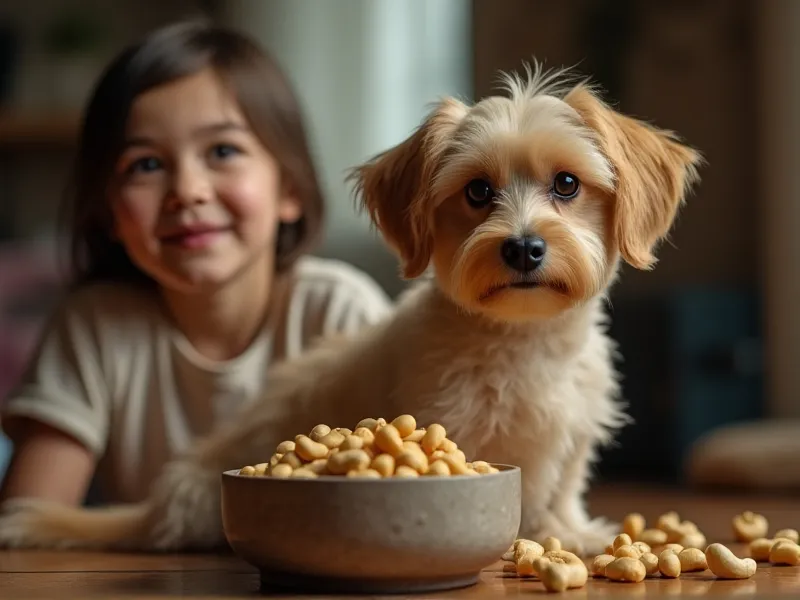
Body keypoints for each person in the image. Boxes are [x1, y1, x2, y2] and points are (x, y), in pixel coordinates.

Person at [0, 20, 393, 506]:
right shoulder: (94, 327)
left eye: (223, 151)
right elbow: (28, 527)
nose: (187, 190)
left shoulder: (339, 312)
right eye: (146, 164)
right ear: (108, 214)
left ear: (288, 188)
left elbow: (397, 499)